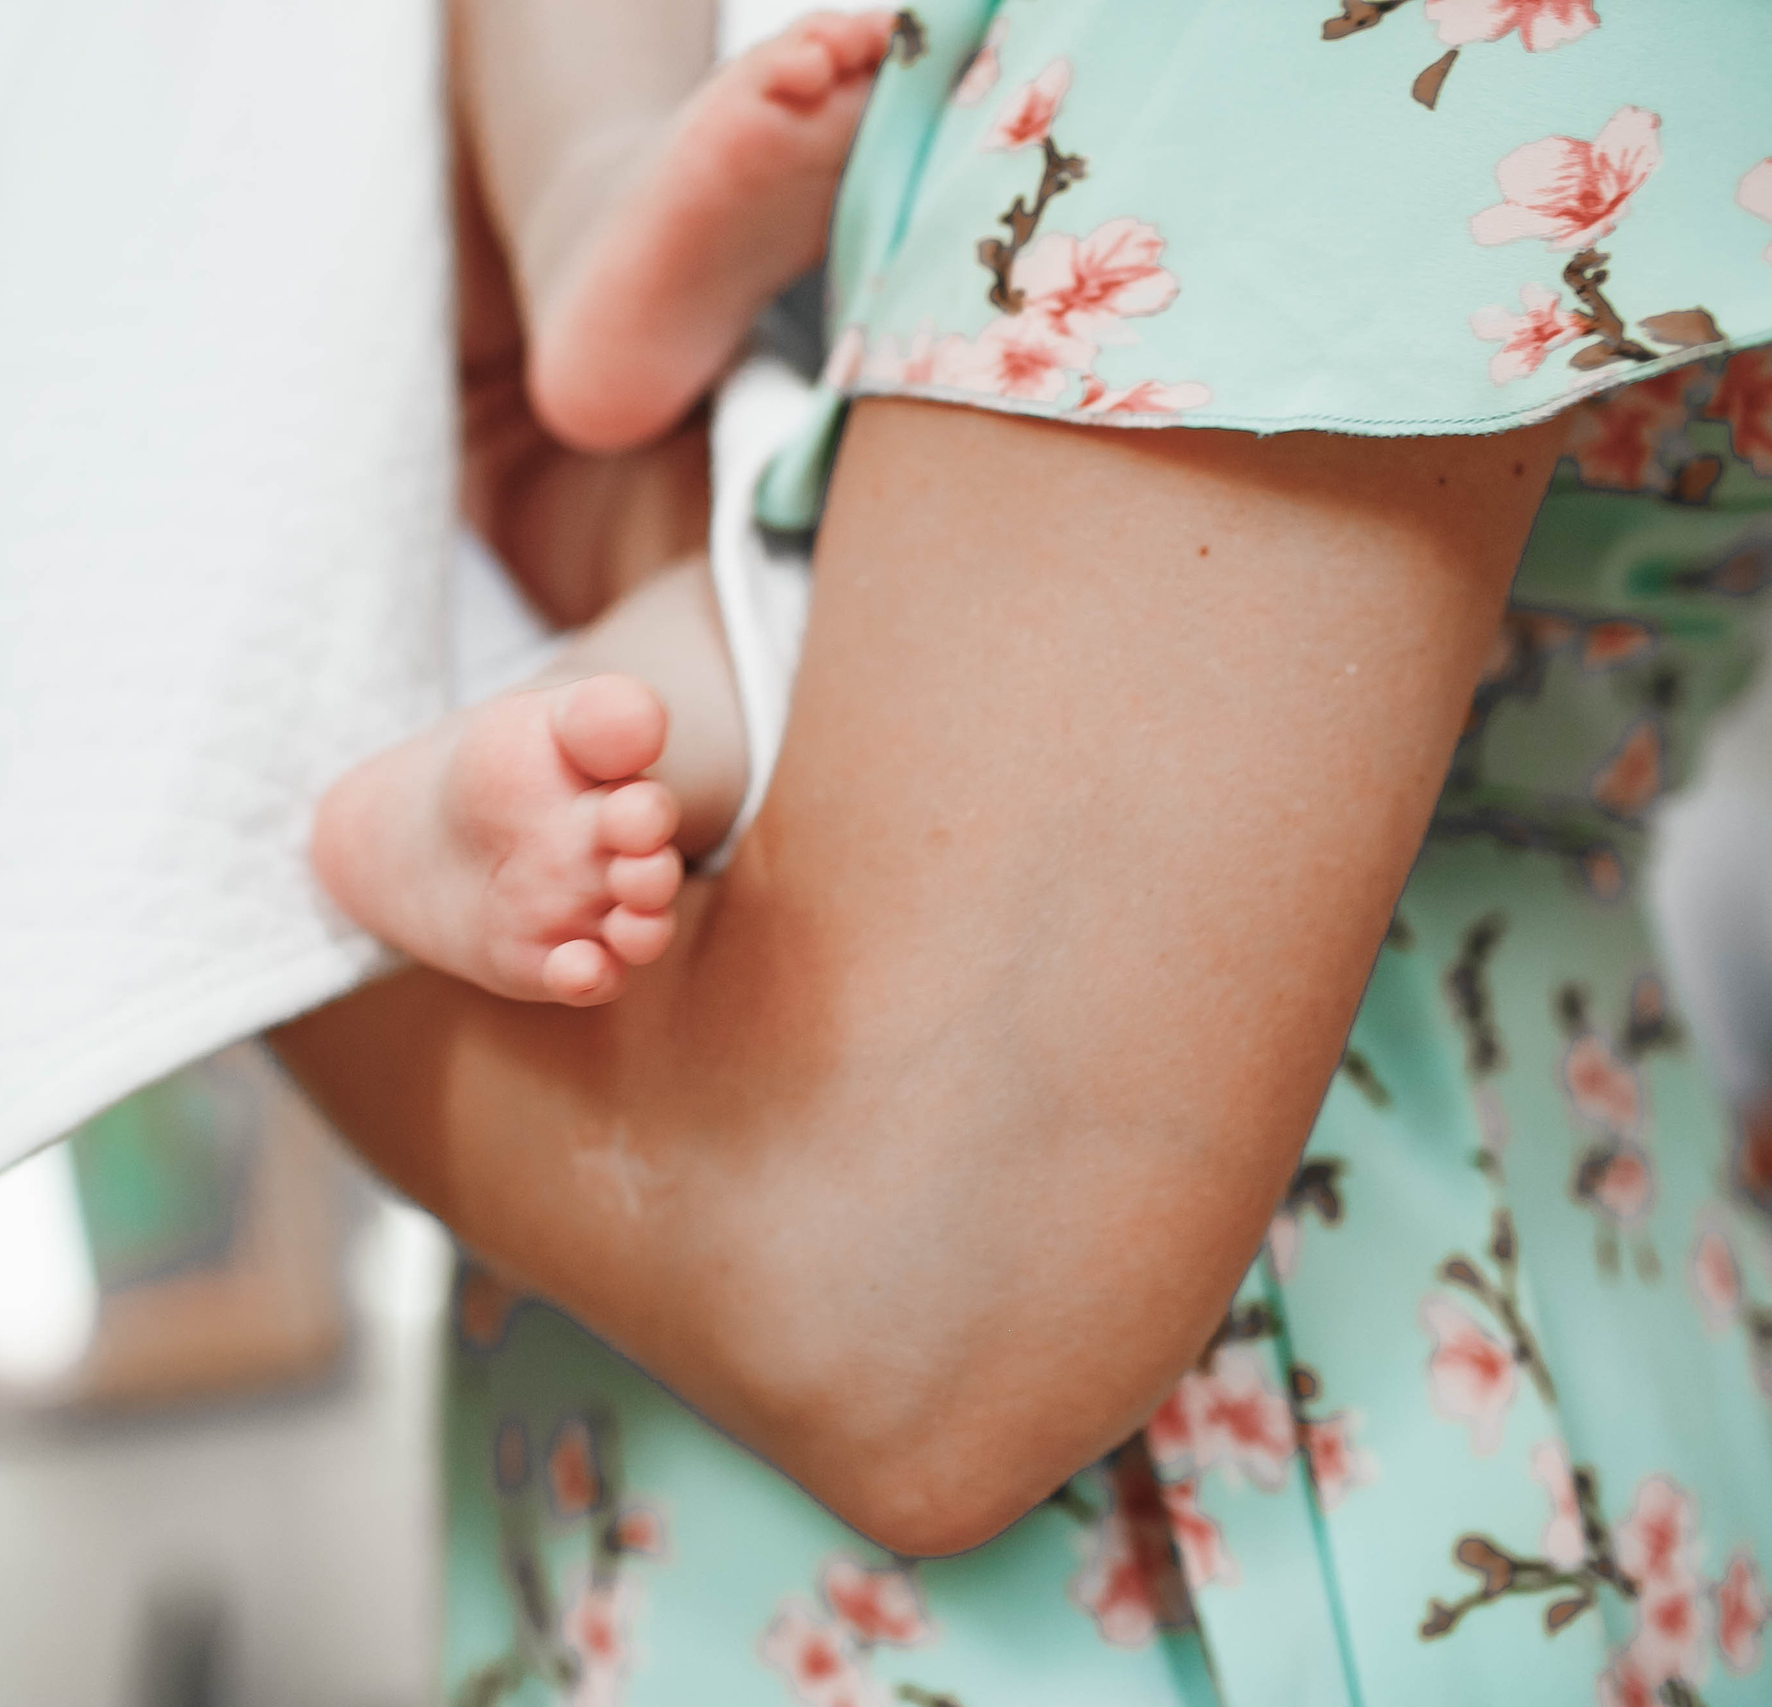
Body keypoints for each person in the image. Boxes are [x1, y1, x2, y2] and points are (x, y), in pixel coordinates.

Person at [276, 5, 1772, 1703]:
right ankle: (587, 313)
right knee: (718, 621)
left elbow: (902, 1307)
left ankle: (522, 716)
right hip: (1537, 1201)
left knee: (730, 640)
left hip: (1242, 1389)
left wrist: (214, 928)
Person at [313, 5, 897, 1008]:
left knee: (761, 636)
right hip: (554, 304)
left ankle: (518, 779)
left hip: (683, 477)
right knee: (773, 627)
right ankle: (593, 200)